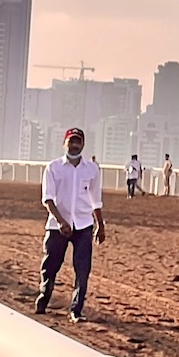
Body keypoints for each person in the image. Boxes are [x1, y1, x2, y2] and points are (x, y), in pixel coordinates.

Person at [36, 127, 106, 323]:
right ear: (64, 143)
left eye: (78, 141)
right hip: (57, 225)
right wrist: (60, 221)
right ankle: (44, 297)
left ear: (83, 144)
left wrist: (100, 224)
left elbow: (96, 199)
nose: (74, 145)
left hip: (83, 224)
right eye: (71, 141)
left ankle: (76, 309)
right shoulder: (53, 167)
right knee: (50, 265)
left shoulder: (92, 169)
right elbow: (48, 199)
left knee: (82, 269)